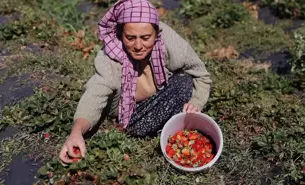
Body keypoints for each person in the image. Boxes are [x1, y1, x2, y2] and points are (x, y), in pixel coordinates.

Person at [59, 0, 212, 164]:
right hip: (133, 114)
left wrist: (196, 102)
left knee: (184, 83)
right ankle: (151, 129)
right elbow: (95, 94)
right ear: (120, 34)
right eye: (130, 38)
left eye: (146, 38)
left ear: (157, 33)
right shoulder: (110, 58)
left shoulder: (169, 41)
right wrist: (76, 132)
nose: (138, 45)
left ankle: (172, 128)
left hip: (161, 94)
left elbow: (201, 75)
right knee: (140, 126)